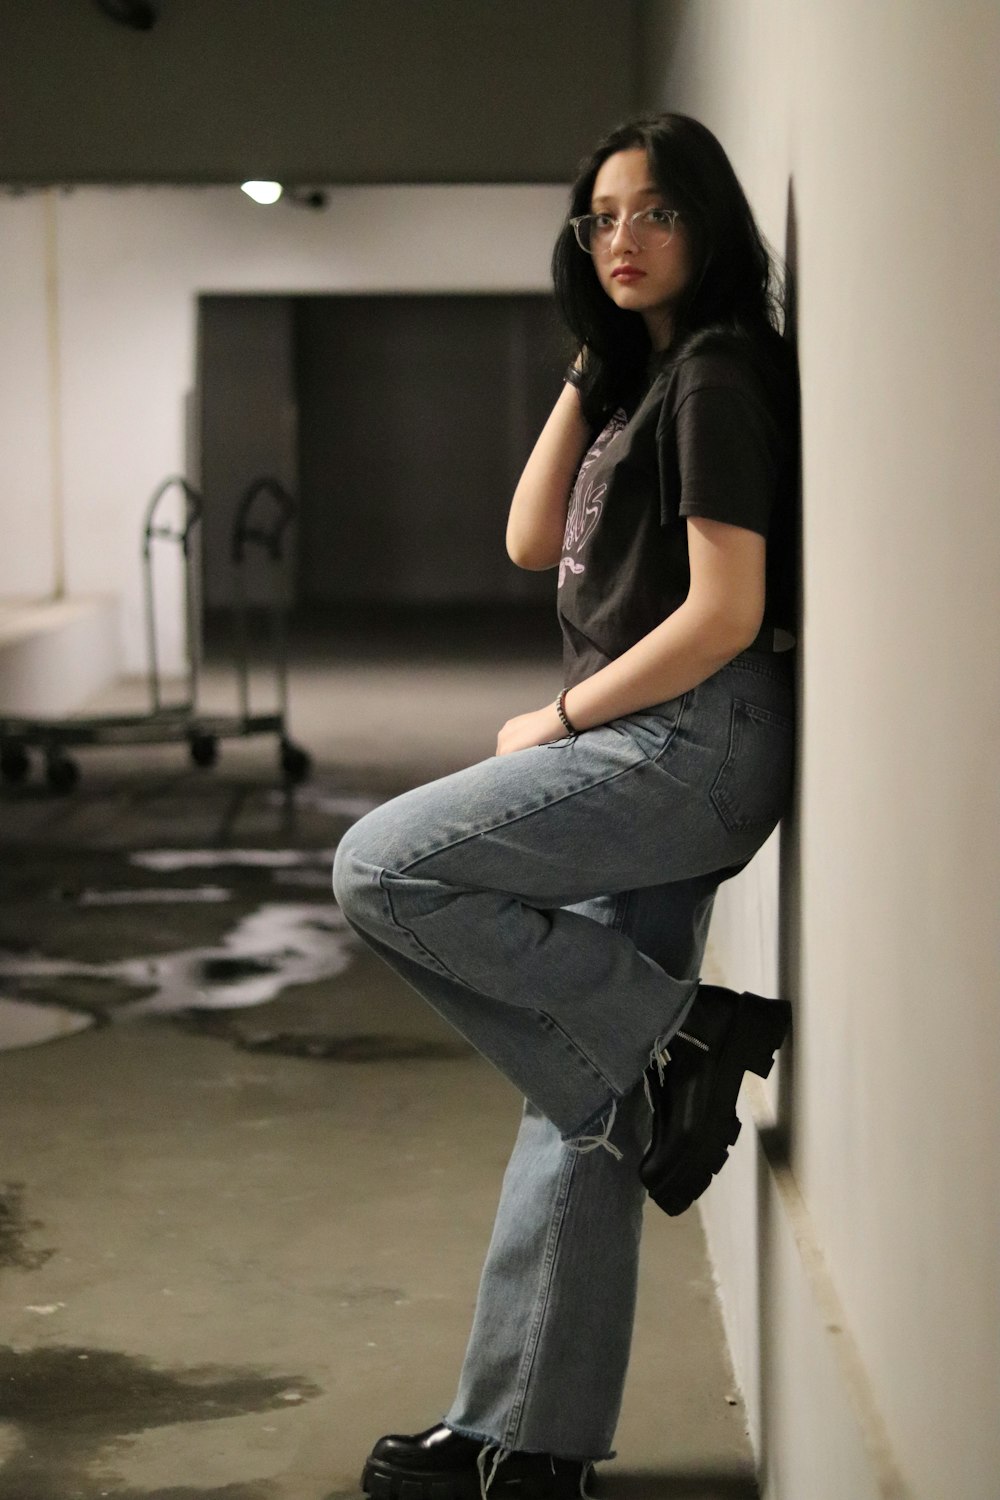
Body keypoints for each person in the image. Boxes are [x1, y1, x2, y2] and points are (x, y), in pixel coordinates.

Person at [332, 111, 798, 1500]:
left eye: (655, 214)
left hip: (686, 747)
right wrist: (594, 362)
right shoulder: (647, 380)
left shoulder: (718, 377)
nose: (623, 241)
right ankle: (522, 1450)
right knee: (588, 1095)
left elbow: (730, 608)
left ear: (708, 225)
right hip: (664, 745)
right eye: (600, 219)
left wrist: (563, 716)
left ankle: (684, 1035)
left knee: (384, 870)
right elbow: (532, 536)